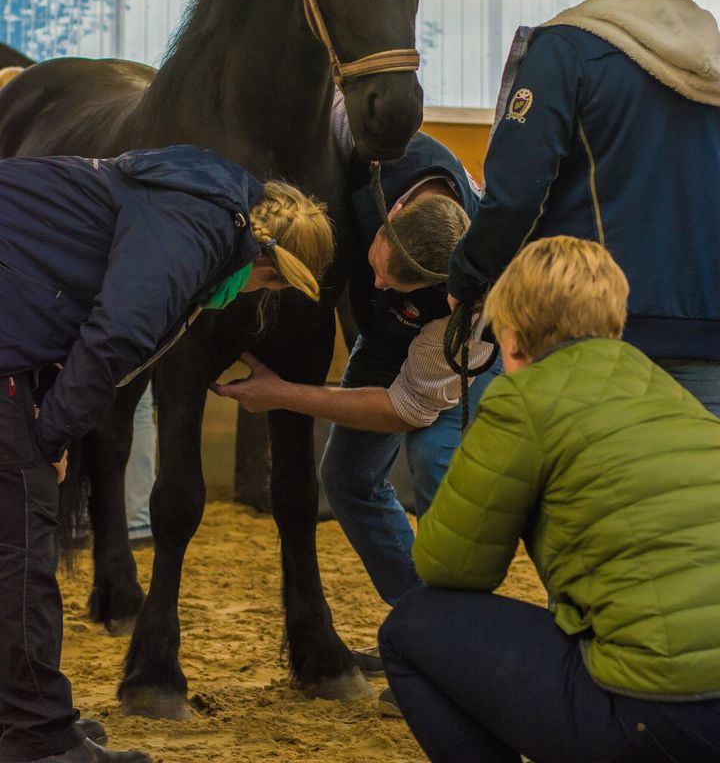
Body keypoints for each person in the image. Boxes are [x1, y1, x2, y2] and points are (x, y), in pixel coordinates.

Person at [0, 143, 333, 763]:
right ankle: (38, 739)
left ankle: (24, 719)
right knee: (24, 541)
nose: (250, 293)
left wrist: (55, 428)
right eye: (268, 281)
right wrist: (49, 439)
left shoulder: (182, 198)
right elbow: (117, 333)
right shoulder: (199, 228)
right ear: (266, 257)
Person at [379, 236, 720, 763]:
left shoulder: (520, 399)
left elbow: (450, 569)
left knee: (410, 626)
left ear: (512, 336)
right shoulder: (669, 392)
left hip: (661, 712)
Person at [213, 128, 498, 646]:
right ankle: (427, 619)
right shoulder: (385, 153)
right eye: (378, 268)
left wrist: (281, 393)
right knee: (346, 476)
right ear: (389, 219)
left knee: (437, 462)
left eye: (397, 283)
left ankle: (452, 642)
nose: (380, 283)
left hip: (452, 354)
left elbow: (407, 407)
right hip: (389, 337)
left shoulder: (470, 296)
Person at [448, 0, 720, 413]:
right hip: (710, 338)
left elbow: (516, 195)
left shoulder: (566, 51)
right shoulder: (712, 54)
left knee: (568, 492)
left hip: (588, 329)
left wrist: (469, 275)